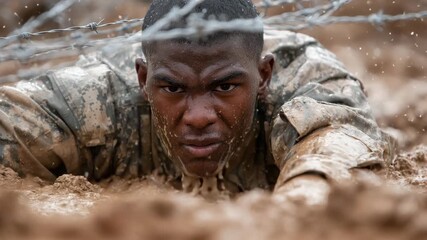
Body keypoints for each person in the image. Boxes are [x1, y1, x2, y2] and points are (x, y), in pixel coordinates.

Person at [0, 0, 394, 202]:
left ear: (264, 77)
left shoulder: (305, 80)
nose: (199, 117)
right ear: (143, 79)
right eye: (174, 89)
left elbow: (335, 153)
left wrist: (297, 203)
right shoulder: (98, 97)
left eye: (223, 88)